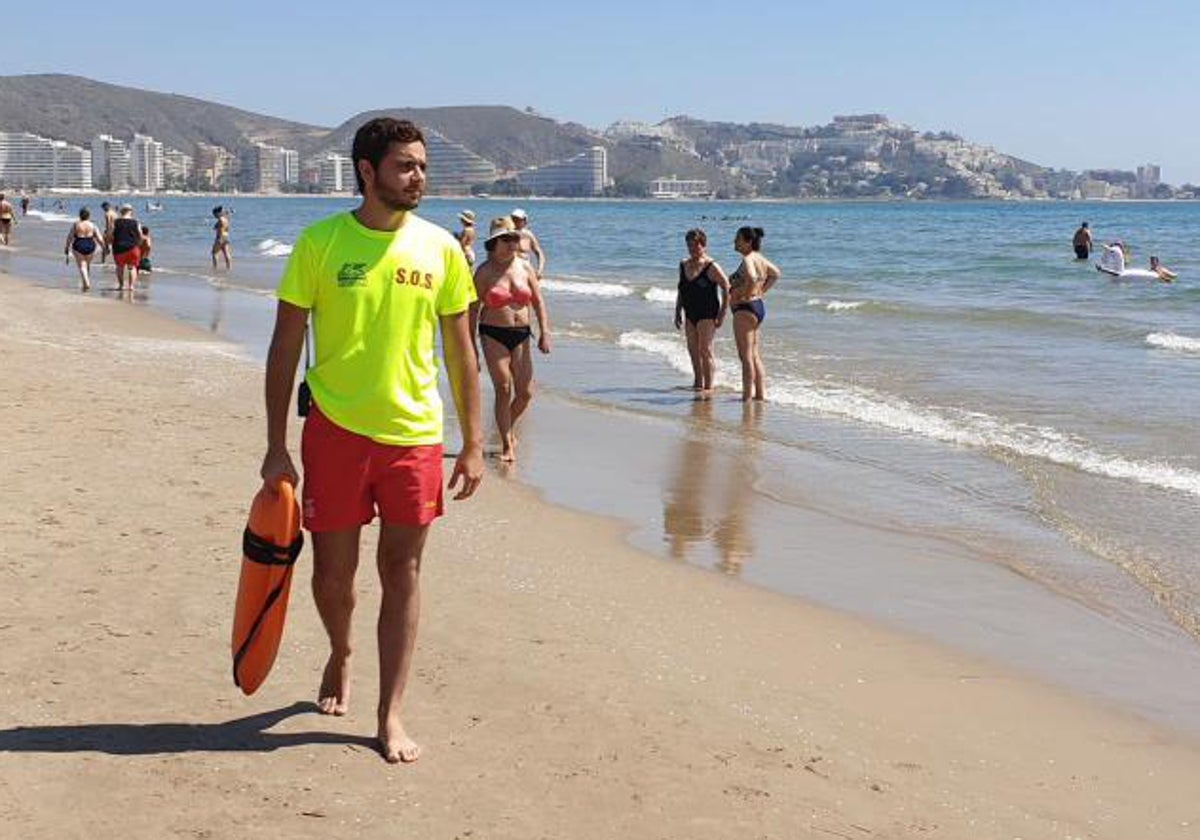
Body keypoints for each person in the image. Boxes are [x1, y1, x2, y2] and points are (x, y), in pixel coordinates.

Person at [259, 117, 483, 765]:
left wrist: (473, 443)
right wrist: (277, 446)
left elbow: (462, 351)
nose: (418, 177)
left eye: (422, 166)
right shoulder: (321, 243)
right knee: (334, 575)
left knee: (402, 572)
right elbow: (283, 348)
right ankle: (341, 650)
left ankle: (390, 714)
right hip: (334, 431)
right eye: (405, 166)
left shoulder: (441, 248)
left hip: (415, 436)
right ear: (367, 171)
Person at [469, 216, 551, 462]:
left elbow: (537, 301)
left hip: (522, 334)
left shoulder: (524, 267)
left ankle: (506, 426)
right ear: (494, 243)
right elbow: (472, 311)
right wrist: (471, 347)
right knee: (503, 388)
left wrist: (545, 332)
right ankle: (507, 445)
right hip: (493, 333)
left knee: (525, 393)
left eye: (515, 238)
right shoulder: (483, 273)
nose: (513, 243)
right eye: (507, 239)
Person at [673, 228, 730, 397]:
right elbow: (681, 290)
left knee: (705, 349)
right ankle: (698, 383)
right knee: (692, 349)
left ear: (704, 245)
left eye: (696, 245)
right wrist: (677, 312)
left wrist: (722, 314)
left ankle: (709, 386)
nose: (692, 249)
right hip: (690, 312)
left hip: (707, 313)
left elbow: (726, 287)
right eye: (689, 245)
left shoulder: (711, 266)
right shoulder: (683, 265)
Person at [729, 226, 781, 402]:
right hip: (757, 307)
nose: (734, 242)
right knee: (754, 354)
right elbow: (775, 274)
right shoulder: (761, 258)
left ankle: (746, 397)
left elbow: (751, 277)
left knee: (745, 356)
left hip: (745, 309)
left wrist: (745, 296)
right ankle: (759, 394)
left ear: (748, 242)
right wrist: (760, 292)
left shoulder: (749, 258)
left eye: (737, 239)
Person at [63, 207, 104, 291]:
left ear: (80, 215)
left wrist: (67, 247)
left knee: (82, 265)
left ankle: (86, 283)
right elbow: (99, 238)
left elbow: (70, 237)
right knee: (87, 265)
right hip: (90, 245)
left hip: (79, 244)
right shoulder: (93, 225)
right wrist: (104, 247)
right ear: (89, 216)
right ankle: (85, 281)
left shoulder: (76, 224)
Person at [110, 204, 142, 291]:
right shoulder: (136, 222)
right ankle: (131, 286)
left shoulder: (116, 222)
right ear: (131, 211)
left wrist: (109, 243)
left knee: (120, 267)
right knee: (132, 267)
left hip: (119, 247)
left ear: (121, 212)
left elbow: (110, 234)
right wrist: (139, 244)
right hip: (133, 248)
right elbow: (140, 235)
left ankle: (121, 285)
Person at [510, 207, 547, 277]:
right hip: (511, 270)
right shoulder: (508, 234)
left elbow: (539, 253)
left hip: (526, 270)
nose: (515, 221)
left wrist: (540, 269)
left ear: (524, 220)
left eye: (518, 219)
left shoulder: (529, 235)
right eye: (514, 218)